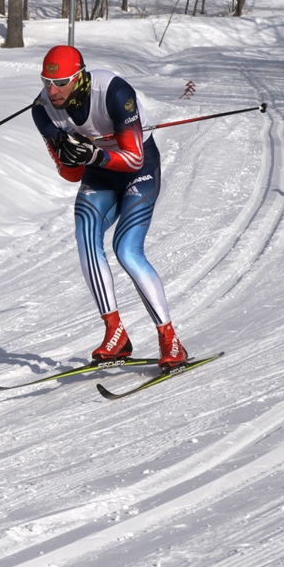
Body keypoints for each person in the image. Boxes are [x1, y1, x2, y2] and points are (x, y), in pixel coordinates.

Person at [31, 45, 187, 368]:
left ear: (79, 77)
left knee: (126, 249)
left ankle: (170, 339)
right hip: (100, 174)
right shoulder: (43, 109)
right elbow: (70, 175)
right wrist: (69, 154)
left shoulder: (115, 92)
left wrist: (94, 154)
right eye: (47, 82)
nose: (53, 90)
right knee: (85, 229)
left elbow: (135, 158)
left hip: (138, 170)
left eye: (61, 83)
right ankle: (115, 332)